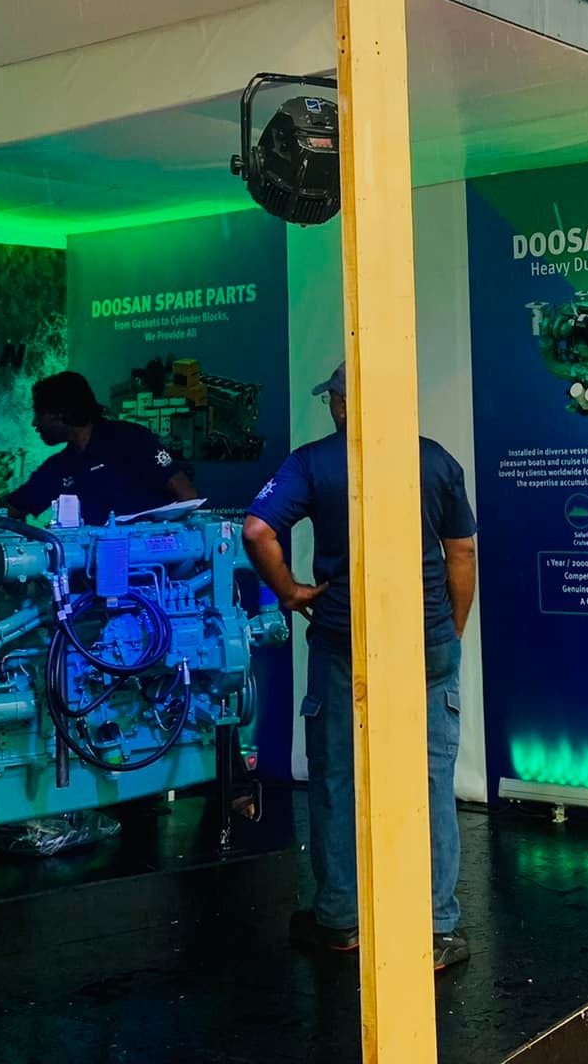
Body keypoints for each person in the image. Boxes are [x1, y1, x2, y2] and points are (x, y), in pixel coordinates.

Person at [241, 363, 478, 972]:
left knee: (337, 779)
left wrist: (290, 592)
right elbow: (462, 552)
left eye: (334, 399)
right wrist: (448, 630)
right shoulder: (436, 460)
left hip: (343, 641)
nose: (331, 408)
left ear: (346, 405)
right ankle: (436, 930)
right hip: (426, 642)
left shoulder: (312, 462)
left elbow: (258, 530)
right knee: (431, 782)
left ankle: (341, 920)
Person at [6, 370, 195, 525]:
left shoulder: (131, 439)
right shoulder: (58, 466)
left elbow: (187, 496)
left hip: (151, 555)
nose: (34, 423)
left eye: (39, 413)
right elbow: (12, 509)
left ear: (60, 413)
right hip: (95, 558)